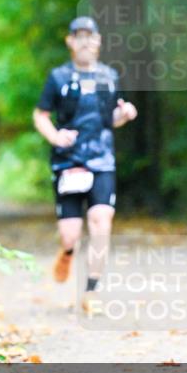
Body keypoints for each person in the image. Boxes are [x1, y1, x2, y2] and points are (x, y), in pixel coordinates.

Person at [33, 16, 138, 297]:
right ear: (70, 41)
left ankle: (91, 290)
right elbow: (40, 115)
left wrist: (125, 114)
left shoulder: (109, 76)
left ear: (99, 41)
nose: (85, 42)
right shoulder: (58, 77)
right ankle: (67, 251)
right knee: (71, 234)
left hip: (102, 159)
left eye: (90, 36)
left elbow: (111, 118)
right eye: (79, 36)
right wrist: (55, 136)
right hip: (68, 160)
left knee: (101, 219)